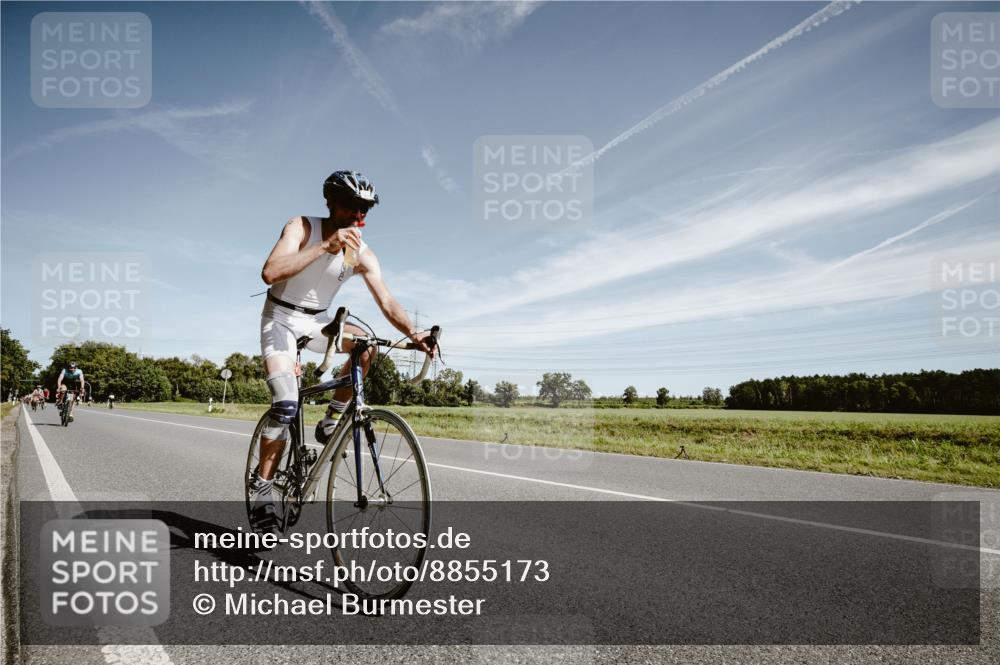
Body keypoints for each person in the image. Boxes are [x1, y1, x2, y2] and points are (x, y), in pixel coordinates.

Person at [251, 170, 435, 533]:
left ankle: (331, 420)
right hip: (281, 320)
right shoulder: (302, 227)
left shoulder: (360, 254)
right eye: (351, 208)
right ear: (331, 203)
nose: (358, 218)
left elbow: (387, 302)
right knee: (286, 405)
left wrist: (413, 333)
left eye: (364, 211)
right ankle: (262, 487)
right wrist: (325, 246)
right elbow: (270, 272)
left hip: (319, 323)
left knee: (366, 347)